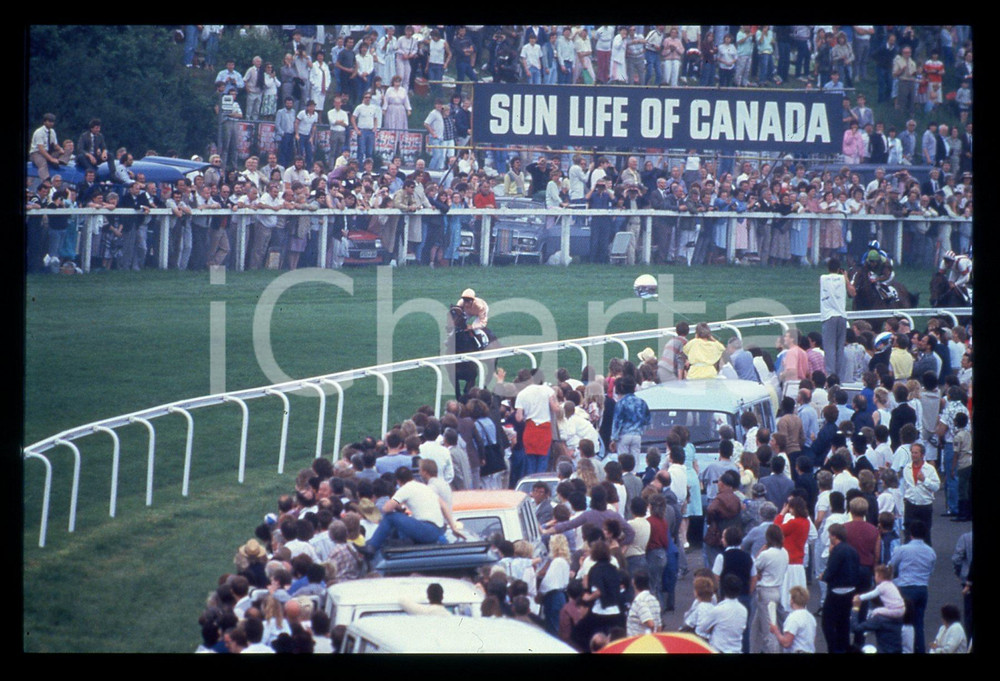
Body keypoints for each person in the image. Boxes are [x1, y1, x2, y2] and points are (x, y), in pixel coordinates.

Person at [359, 466, 465, 556]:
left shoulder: (405, 488)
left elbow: (386, 509)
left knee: (390, 517)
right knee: (400, 523)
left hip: (428, 529)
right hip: (438, 529)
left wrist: (397, 505)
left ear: (398, 481)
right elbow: (444, 505)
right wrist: (453, 527)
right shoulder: (424, 487)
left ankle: (372, 547)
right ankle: (378, 543)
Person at [889, 518, 936, 654]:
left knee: (903, 623)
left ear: (911, 534)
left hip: (905, 588)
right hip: (922, 588)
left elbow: (892, 566)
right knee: (919, 623)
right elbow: (931, 571)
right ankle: (919, 649)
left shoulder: (902, 549)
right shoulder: (930, 552)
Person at [820, 257, 856, 378]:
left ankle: (831, 377)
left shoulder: (823, 278)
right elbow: (853, 293)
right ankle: (839, 377)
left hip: (828, 316)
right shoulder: (842, 279)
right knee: (839, 348)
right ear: (839, 269)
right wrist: (845, 277)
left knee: (829, 349)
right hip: (841, 316)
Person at [769, 585, 816, 653]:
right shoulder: (811, 617)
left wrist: (776, 630)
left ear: (792, 600)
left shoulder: (793, 618)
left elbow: (786, 643)